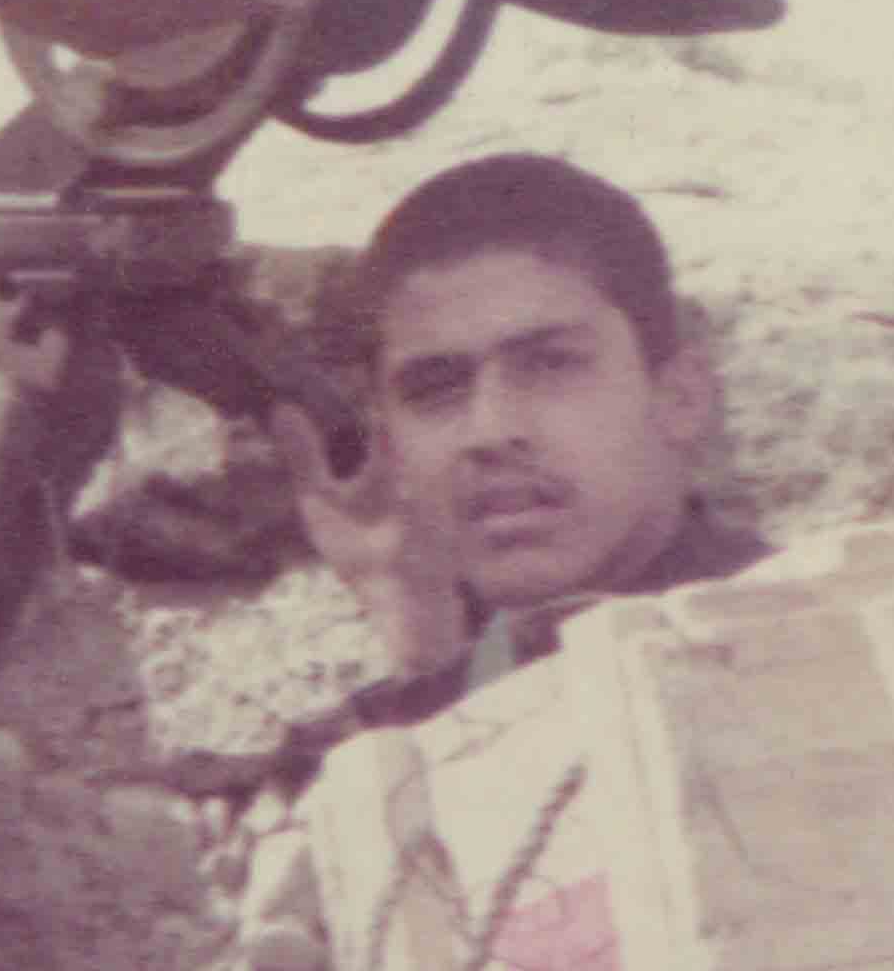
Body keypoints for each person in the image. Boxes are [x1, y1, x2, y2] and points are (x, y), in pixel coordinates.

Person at [272, 151, 771, 730]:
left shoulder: (815, 646)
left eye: (551, 364)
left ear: (680, 397)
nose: (489, 430)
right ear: (390, 449)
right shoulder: (379, 729)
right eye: (435, 389)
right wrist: (418, 640)